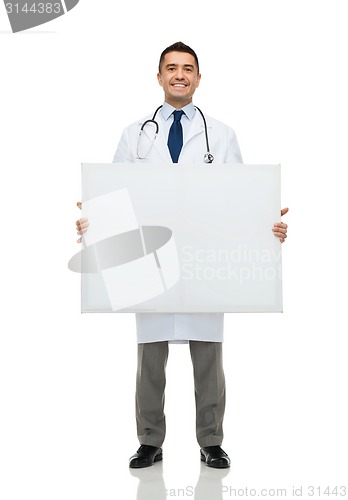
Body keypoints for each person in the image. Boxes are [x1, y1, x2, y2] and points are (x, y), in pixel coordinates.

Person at [76, 42, 288, 469]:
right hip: (149, 261)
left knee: (209, 355)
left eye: (187, 68)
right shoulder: (134, 134)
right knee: (150, 358)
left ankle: (211, 440)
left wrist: (267, 226)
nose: (179, 75)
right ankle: (150, 441)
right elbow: (113, 196)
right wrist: (92, 222)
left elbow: (241, 198)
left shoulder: (222, 134)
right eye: (171, 68)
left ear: (198, 78)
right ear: (158, 77)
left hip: (203, 259)